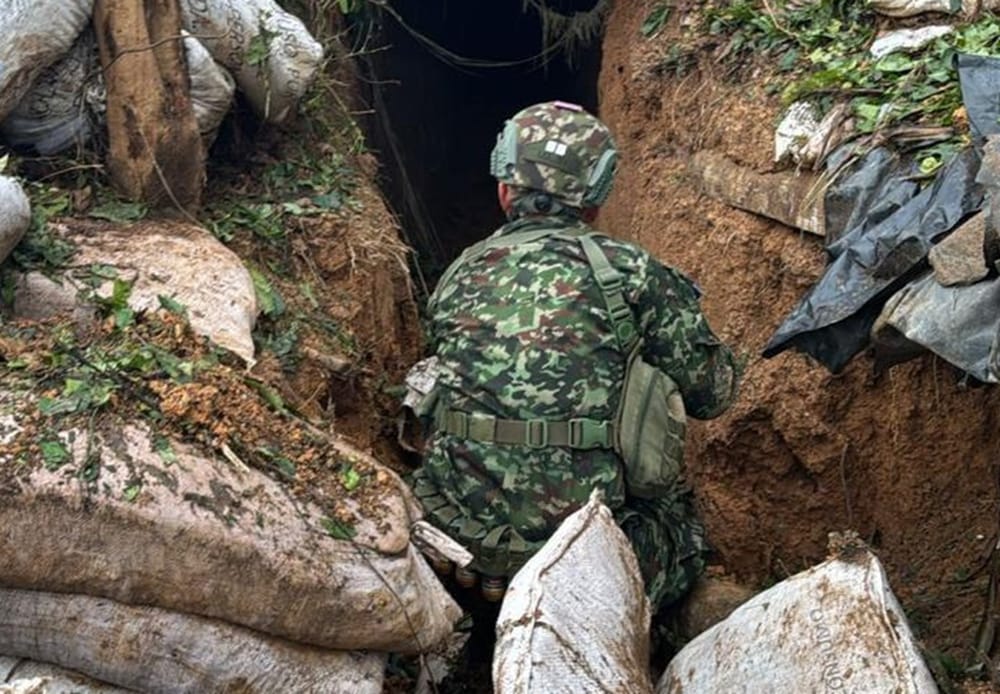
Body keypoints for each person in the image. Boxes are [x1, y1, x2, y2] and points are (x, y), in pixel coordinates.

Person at [408, 100, 740, 654]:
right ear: (595, 197)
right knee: (681, 525)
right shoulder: (630, 272)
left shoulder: (458, 272)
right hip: (578, 564)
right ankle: (651, 639)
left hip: (460, 552)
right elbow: (713, 393)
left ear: (504, 189)